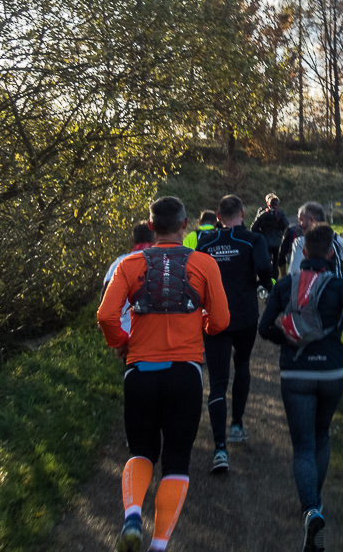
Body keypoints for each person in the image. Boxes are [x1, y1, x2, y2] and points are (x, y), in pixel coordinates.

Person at [97, 196, 229, 552]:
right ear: (184, 225)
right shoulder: (203, 264)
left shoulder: (129, 264)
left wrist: (120, 343)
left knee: (140, 451)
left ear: (151, 227)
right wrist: (199, 321)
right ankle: (158, 545)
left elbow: (106, 316)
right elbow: (220, 322)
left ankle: (132, 517)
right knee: (176, 459)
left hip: (139, 370)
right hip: (184, 373)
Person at [259, 223, 343, 552]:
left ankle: (310, 510)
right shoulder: (338, 285)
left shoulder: (286, 284)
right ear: (332, 253)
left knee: (303, 445)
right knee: (322, 436)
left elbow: (265, 328)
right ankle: (315, 506)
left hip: (297, 373)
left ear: (303, 253)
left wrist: (288, 340)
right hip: (333, 371)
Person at [196, 194, 274, 473]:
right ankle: (237, 426)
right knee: (242, 365)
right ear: (242, 212)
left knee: (217, 381)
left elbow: (194, 277)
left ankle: (220, 449)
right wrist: (261, 282)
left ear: (218, 216)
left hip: (214, 318)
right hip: (243, 315)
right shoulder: (253, 240)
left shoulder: (206, 243)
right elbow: (265, 268)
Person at [101, 221, 155, 340]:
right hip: (160, 337)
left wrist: (117, 341)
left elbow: (105, 309)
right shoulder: (165, 262)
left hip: (128, 335)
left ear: (132, 241)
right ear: (154, 240)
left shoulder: (117, 265)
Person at [287, 201, 343, 284]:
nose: (299, 224)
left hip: (310, 295)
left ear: (312, 220)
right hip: (337, 292)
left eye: (301, 220)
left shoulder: (301, 243)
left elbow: (293, 276)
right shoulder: (341, 242)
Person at [251, 192, 289, 270]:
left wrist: (261, 233)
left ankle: (267, 278)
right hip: (277, 242)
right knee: (276, 262)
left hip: (265, 242)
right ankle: (274, 279)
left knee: (266, 261)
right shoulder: (280, 214)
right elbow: (286, 226)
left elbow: (253, 228)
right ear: (277, 204)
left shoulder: (263, 214)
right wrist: (281, 233)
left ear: (268, 204)